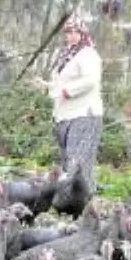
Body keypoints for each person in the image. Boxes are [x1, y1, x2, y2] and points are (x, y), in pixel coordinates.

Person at [48, 15, 103, 185]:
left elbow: (90, 80)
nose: (70, 36)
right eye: (68, 32)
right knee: (67, 162)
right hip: (65, 115)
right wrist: (46, 86)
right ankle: (68, 202)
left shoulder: (88, 54)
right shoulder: (64, 55)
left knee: (78, 163)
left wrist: (67, 91)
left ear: (83, 33)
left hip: (84, 114)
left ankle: (84, 201)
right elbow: (60, 83)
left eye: (75, 32)